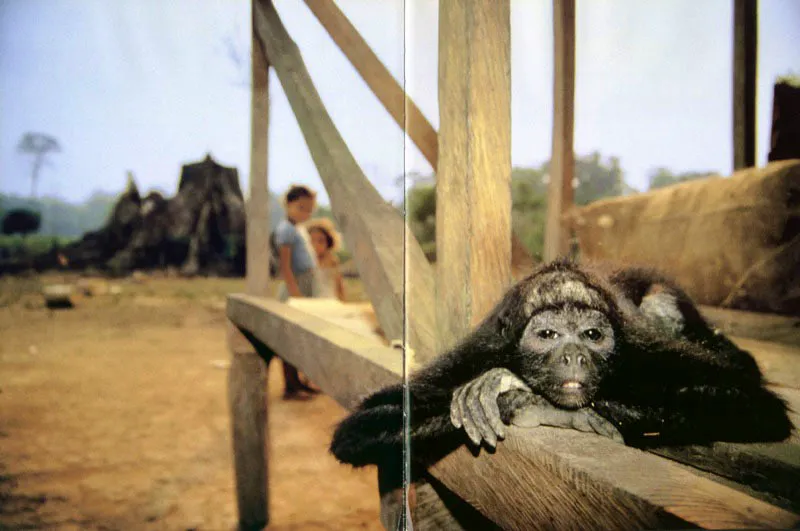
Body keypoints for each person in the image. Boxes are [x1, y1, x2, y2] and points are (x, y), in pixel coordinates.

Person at [274, 184, 322, 400]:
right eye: (301, 208)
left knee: (301, 338)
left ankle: (299, 382)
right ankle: (290, 386)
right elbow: (285, 265)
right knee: (290, 340)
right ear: (288, 205)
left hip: (306, 285)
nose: (305, 213)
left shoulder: (299, 229)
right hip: (295, 287)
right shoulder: (285, 229)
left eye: (309, 209)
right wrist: (295, 293)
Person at [306, 218, 346, 301]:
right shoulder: (305, 261)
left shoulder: (332, 260)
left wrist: (342, 302)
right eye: (312, 240)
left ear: (328, 242)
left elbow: (340, 286)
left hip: (329, 300)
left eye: (321, 241)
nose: (315, 245)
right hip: (311, 301)